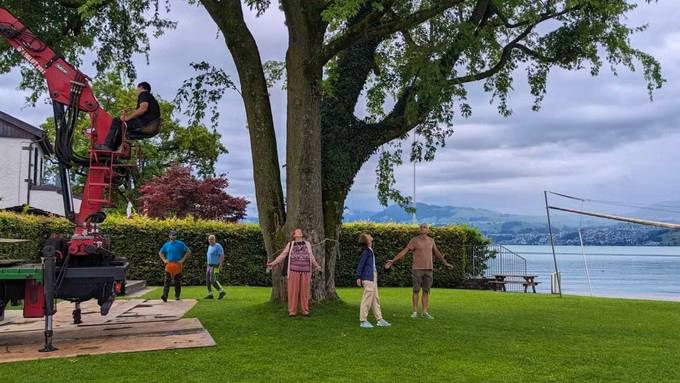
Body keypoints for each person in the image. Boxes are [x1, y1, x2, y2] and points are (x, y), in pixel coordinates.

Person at [385, 223, 453, 319]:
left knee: (426, 291)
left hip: (429, 269)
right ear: (419, 230)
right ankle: (415, 312)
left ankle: (425, 312)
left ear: (428, 230)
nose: (422, 228)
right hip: (417, 269)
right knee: (416, 290)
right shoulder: (414, 240)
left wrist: (445, 263)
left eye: (424, 227)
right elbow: (405, 251)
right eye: (421, 227)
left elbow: (437, 253)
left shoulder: (431, 240)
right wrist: (393, 260)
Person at [266, 228, 321, 317]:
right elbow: (283, 255)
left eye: (300, 232)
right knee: (293, 291)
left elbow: (311, 256)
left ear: (302, 235)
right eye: (297, 232)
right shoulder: (291, 244)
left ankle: (305, 310)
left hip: (306, 271)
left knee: (305, 292)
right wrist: (273, 263)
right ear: (294, 235)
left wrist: (317, 265)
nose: (299, 233)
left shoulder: (307, 244)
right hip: (293, 271)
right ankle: (292, 311)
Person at [96, 81, 161, 151]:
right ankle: (113, 149)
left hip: (146, 123)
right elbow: (141, 112)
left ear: (141, 87)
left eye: (137, 89)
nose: (136, 91)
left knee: (117, 121)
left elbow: (143, 109)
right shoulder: (150, 98)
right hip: (150, 123)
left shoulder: (144, 94)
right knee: (123, 126)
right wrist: (128, 115)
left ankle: (107, 146)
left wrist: (127, 118)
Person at [356, 233, 391, 329]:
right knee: (367, 299)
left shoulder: (370, 250)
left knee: (375, 298)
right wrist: (358, 277)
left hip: (373, 276)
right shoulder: (366, 251)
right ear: (366, 240)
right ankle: (363, 321)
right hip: (367, 277)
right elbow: (361, 264)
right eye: (368, 235)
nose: (370, 236)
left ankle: (379, 319)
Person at [158, 230, 191, 302]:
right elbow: (160, 252)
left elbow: (188, 251)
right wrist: (164, 260)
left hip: (177, 265)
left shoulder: (180, 244)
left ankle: (177, 296)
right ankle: (165, 296)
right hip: (169, 265)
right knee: (167, 281)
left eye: (175, 235)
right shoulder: (166, 245)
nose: (174, 236)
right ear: (169, 236)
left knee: (177, 282)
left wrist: (183, 259)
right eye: (172, 235)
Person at [205, 234, 226, 300]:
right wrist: (208, 264)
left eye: (212, 239)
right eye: (209, 239)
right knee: (207, 280)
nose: (210, 240)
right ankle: (210, 294)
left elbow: (222, 255)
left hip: (215, 265)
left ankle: (221, 291)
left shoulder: (218, 246)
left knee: (213, 280)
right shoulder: (209, 246)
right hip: (209, 265)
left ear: (214, 239)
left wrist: (221, 264)